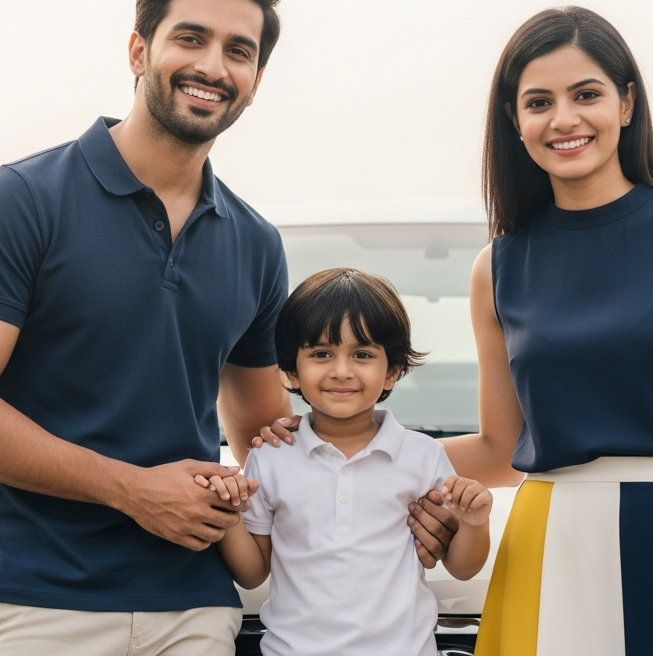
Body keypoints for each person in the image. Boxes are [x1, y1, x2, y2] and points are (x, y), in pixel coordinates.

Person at [0, 0, 443, 656]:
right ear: (139, 49)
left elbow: (268, 434)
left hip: (198, 605)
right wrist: (132, 489)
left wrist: (405, 504)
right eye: (190, 38)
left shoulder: (254, 242)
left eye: (239, 50)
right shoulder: (24, 200)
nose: (214, 66)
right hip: (42, 599)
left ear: (255, 79)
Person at [258, 6, 653, 655]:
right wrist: (335, 441)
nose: (563, 118)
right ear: (516, 121)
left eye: (585, 94)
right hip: (549, 547)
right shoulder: (498, 267)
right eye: (539, 101)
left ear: (625, 103)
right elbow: (499, 448)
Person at [209, 268, 493, 655]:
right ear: (292, 371)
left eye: (362, 354)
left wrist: (475, 523)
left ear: (392, 371)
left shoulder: (425, 456)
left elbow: (462, 567)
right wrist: (227, 513)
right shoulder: (270, 457)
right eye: (321, 354)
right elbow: (252, 572)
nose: (341, 371)